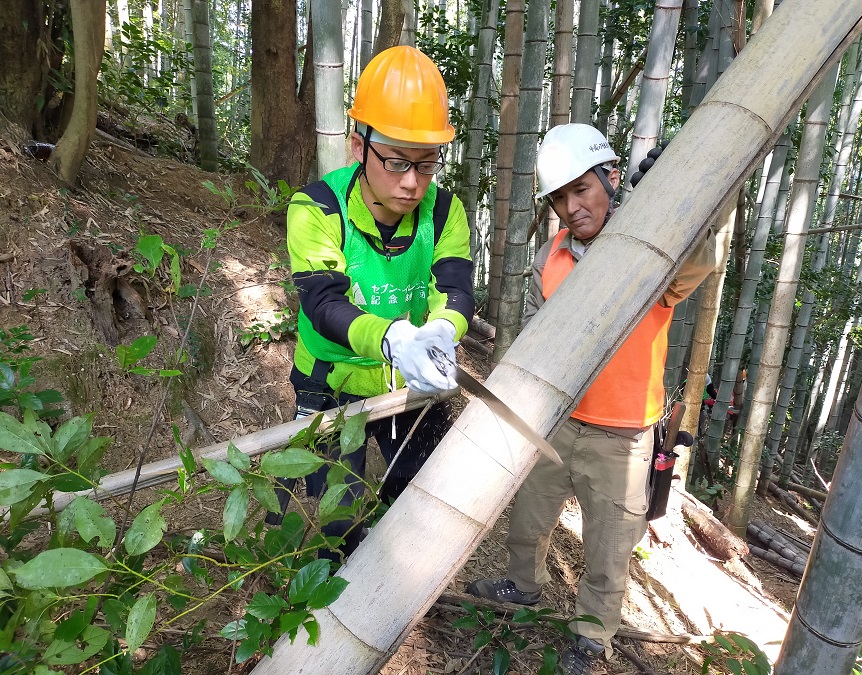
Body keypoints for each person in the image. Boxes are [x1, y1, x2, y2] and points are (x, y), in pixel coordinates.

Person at [466, 123, 714, 674]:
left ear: (612, 178)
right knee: (528, 520)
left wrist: (675, 202)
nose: (572, 207)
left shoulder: (652, 250)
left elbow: (696, 267)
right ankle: (522, 586)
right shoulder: (548, 257)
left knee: (608, 547)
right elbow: (534, 330)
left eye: (582, 189)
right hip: (557, 420)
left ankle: (590, 636)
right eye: (560, 197)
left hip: (624, 434)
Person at [266, 46, 475, 565]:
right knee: (336, 505)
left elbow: (455, 289)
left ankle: (396, 578)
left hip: (409, 382)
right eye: (398, 162)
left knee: (421, 488)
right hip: (331, 381)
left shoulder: (444, 210)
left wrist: (441, 332)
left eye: (426, 164)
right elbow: (322, 301)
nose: (412, 182)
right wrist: (390, 337)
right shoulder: (317, 206)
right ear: (359, 146)